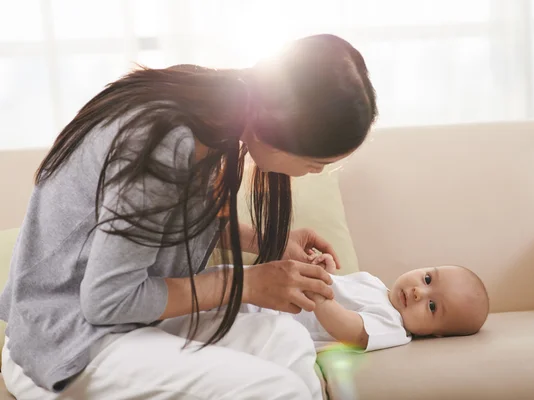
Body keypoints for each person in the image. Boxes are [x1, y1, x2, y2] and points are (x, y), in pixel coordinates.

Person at [0, 34, 378, 399]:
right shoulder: (167, 138)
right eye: (317, 163)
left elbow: (159, 224)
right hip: (64, 341)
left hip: (127, 325)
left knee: (287, 339)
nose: (315, 172)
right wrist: (246, 283)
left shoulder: (210, 116)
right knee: (277, 390)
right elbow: (108, 300)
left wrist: (265, 242)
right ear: (282, 129)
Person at [249, 253, 489, 352]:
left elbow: (349, 328)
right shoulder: (374, 283)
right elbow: (343, 291)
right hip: (265, 294)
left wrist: (318, 293)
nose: (419, 292)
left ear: (435, 334)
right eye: (427, 279)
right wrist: (325, 273)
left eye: (432, 306)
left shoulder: (394, 326)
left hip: (268, 319)